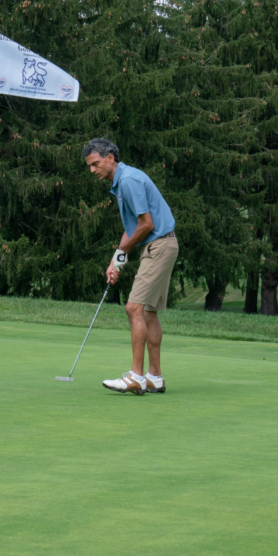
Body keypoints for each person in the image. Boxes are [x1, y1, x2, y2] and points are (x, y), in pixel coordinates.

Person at [83, 138, 179, 395]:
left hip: (158, 246)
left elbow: (146, 225)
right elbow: (133, 230)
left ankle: (136, 376)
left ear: (110, 158)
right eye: (90, 166)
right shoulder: (122, 180)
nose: (92, 170)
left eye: (95, 164)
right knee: (148, 312)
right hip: (161, 245)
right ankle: (154, 377)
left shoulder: (128, 181)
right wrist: (116, 261)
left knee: (133, 307)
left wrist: (122, 254)